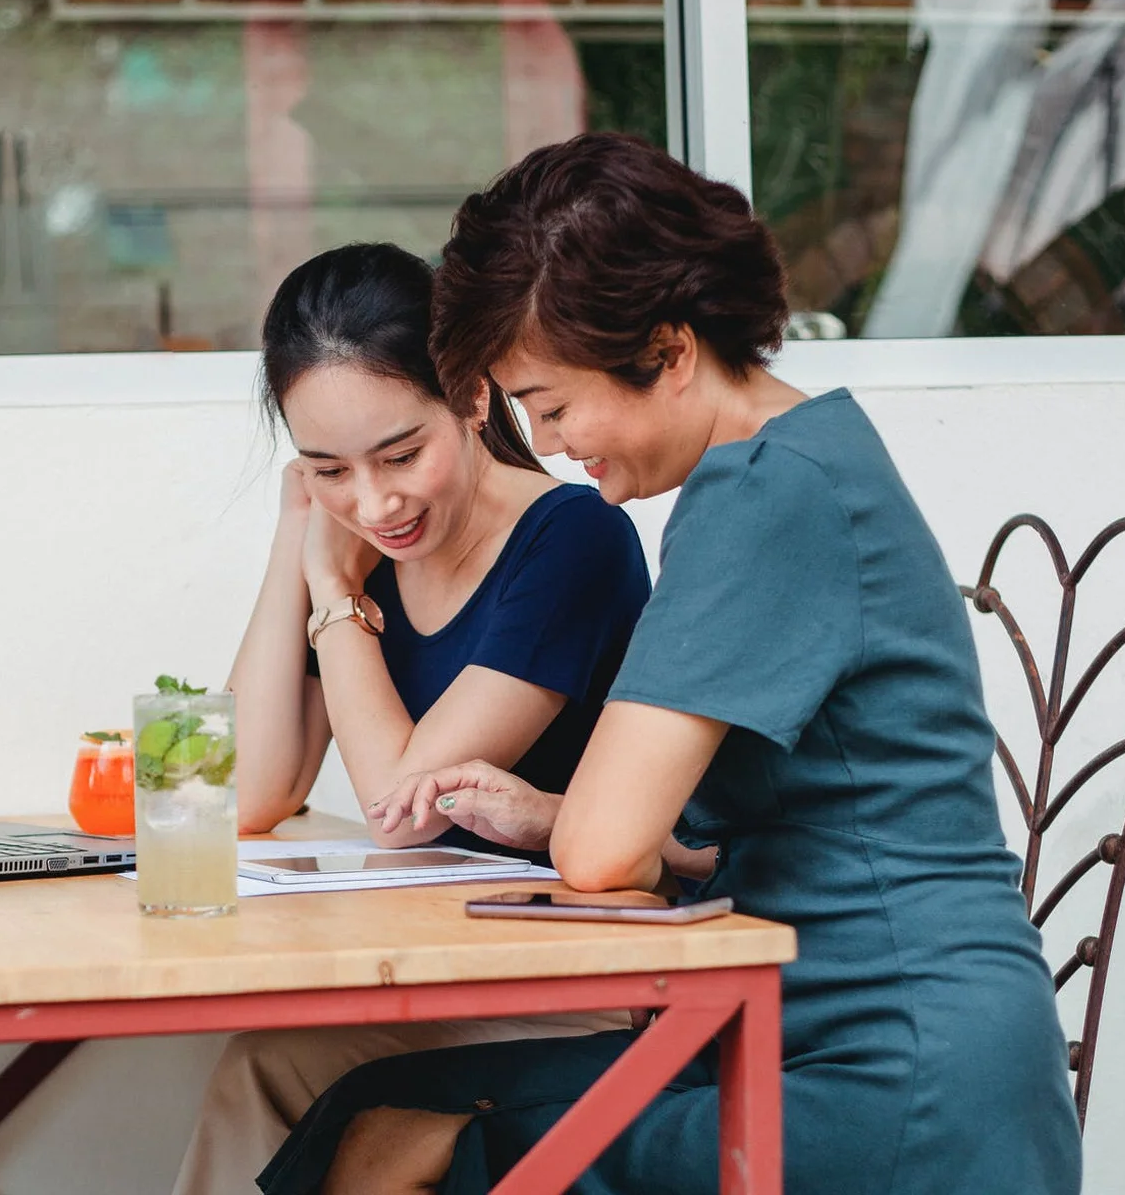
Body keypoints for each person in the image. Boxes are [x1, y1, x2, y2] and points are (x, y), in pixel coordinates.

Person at [256, 138, 1083, 1195]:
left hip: (895, 1079)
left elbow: (606, 854)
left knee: (394, 1140)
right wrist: (546, 816)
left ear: (671, 347)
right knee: (360, 1115)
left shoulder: (761, 495)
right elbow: (709, 825)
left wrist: (573, 825)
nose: (551, 447)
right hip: (796, 1026)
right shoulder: (795, 462)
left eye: (552, 406)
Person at [171, 241, 652, 1195]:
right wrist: (294, 547)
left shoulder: (572, 540)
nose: (376, 502)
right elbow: (242, 791)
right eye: (329, 471)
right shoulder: (359, 544)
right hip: (449, 961)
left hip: (584, 985)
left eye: (400, 455)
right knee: (258, 1064)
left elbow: (407, 803)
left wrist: (332, 592)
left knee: (281, 1068)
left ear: (474, 398)